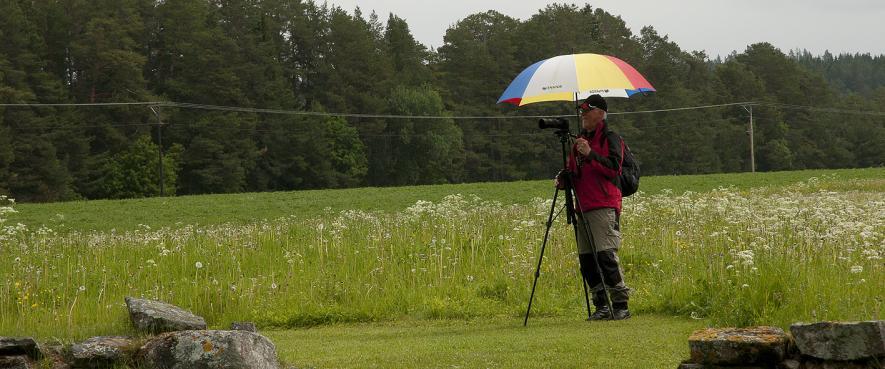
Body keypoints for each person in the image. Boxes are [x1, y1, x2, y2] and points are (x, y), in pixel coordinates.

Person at [556, 94, 631, 320]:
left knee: (606, 256)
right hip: (583, 205)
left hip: (604, 204)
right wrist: (564, 179)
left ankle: (620, 305)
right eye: (582, 111)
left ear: (600, 113)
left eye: (587, 111)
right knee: (587, 260)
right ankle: (602, 306)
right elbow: (575, 171)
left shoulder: (611, 138)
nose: (583, 115)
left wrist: (589, 154)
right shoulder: (578, 141)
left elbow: (613, 169)